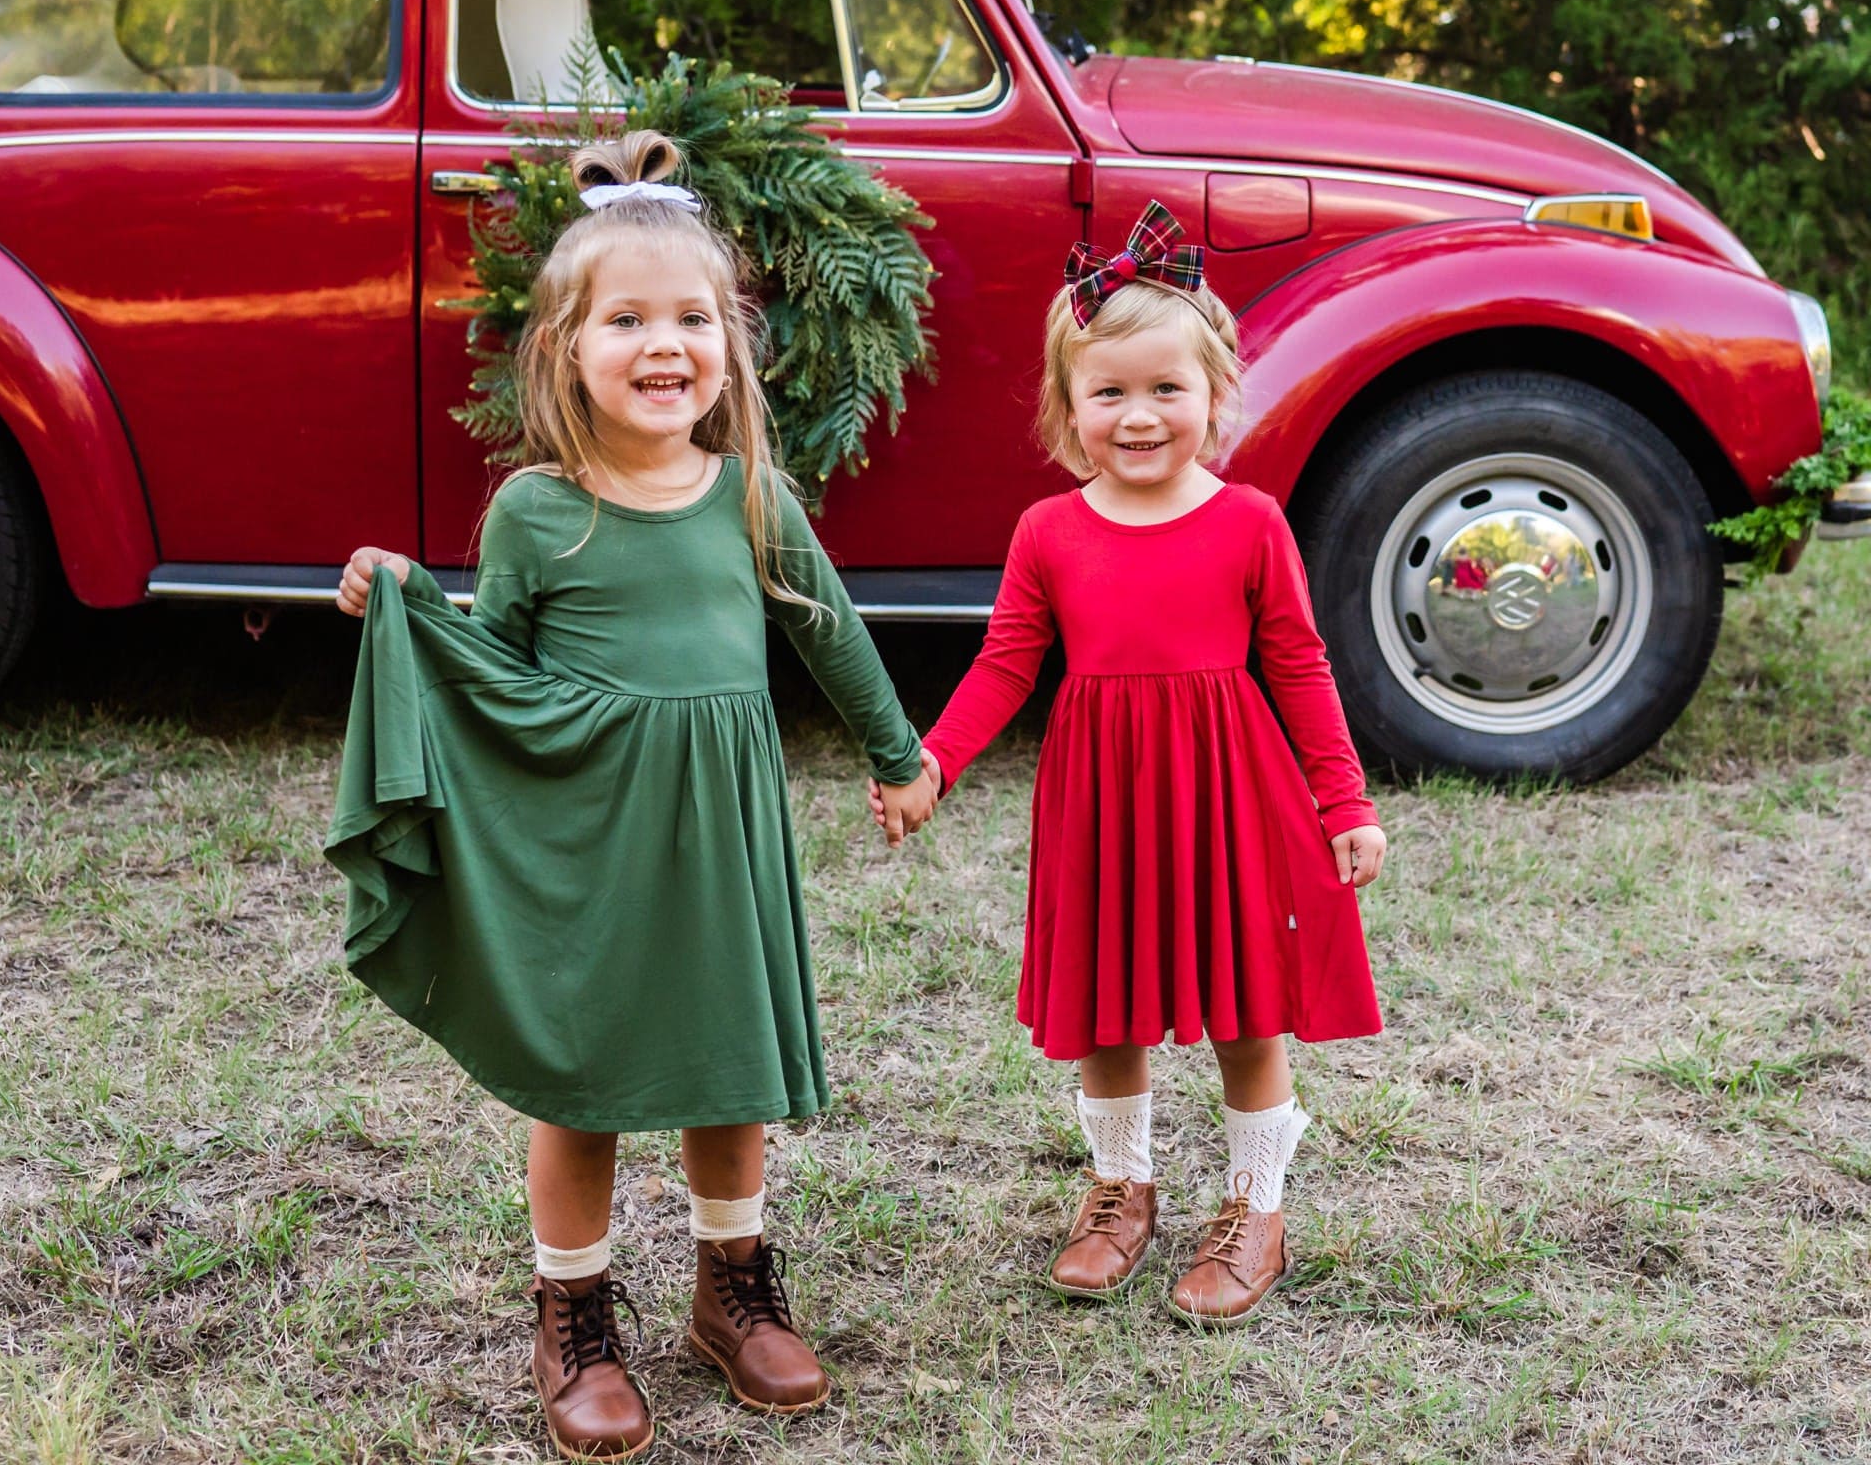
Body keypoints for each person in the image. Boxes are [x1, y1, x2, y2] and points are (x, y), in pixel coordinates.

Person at [327, 131, 937, 1460]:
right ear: (565, 350)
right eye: (627, 321)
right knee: (583, 1075)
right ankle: (576, 1314)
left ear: (730, 340)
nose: (665, 348)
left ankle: (733, 1288)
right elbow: (490, 673)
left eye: (693, 319)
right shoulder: (539, 514)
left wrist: (897, 753)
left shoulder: (753, 498)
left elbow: (829, 632)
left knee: (731, 1074)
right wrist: (412, 608)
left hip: (722, 835)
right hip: (592, 835)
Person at [871, 199, 1386, 1325]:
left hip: (1229, 791)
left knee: (1249, 1006)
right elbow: (1006, 664)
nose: (1139, 414)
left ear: (1214, 398)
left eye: (1167, 389)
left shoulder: (1249, 520)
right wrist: (931, 764)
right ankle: (1121, 1189)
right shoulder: (1048, 531)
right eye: (1108, 392)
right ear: (1067, 409)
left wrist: (1341, 798)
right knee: (1108, 1006)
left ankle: (1256, 1204)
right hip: (1101, 794)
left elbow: (1298, 665)